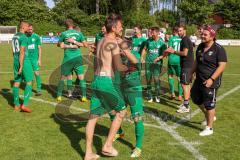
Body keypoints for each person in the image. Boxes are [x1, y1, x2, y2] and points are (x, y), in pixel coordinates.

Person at [84, 14, 137, 160]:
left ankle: (88, 153)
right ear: (113, 28)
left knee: (93, 117)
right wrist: (131, 67)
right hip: (106, 82)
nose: (122, 28)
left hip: (96, 80)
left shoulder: (101, 40)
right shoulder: (113, 42)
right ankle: (107, 145)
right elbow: (119, 66)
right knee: (121, 111)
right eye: (120, 26)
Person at [191, 26, 227, 136]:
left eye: (205, 34)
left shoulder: (218, 49)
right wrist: (192, 72)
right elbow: (197, 61)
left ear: (212, 36)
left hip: (211, 81)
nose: (202, 36)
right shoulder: (201, 46)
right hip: (199, 79)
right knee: (195, 98)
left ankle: (209, 128)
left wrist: (211, 79)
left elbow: (222, 66)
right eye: (202, 34)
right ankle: (209, 116)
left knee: (209, 104)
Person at [56, 19, 88, 102]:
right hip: (78, 58)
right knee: (81, 77)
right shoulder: (79, 33)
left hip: (68, 58)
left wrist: (66, 46)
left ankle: (60, 95)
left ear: (65, 26)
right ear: (73, 25)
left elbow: (59, 45)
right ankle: (84, 96)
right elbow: (85, 45)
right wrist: (75, 43)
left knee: (64, 77)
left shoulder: (63, 34)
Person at [165, 25, 194, 113]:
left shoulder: (185, 39)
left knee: (184, 85)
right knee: (186, 84)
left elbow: (185, 53)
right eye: (179, 31)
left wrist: (174, 51)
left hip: (186, 65)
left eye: (181, 30)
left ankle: (186, 105)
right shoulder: (185, 39)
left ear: (185, 30)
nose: (179, 32)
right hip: (188, 65)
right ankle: (186, 103)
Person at [141, 27, 167, 103]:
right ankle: (149, 95)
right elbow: (144, 49)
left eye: (152, 32)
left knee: (156, 79)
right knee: (148, 80)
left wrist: (158, 58)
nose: (151, 34)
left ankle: (157, 95)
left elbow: (165, 54)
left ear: (157, 33)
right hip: (148, 63)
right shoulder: (148, 41)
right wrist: (142, 58)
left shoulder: (162, 42)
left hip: (157, 64)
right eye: (150, 32)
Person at [12, 21, 33, 113]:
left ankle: (16, 104)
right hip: (24, 61)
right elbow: (22, 51)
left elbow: (13, 51)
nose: (29, 28)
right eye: (28, 26)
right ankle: (24, 105)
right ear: (24, 27)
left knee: (17, 82)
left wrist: (16, 62)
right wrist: (21, 65)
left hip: (15, 60)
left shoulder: (15, 36)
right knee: (29, 82)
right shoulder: (24, 37)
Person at [167, 27, 183, 101]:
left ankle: (172, 93)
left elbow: (169, 49)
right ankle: (180, 95)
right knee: (179, 78)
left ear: (174, 31)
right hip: (179, 60)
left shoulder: (171, 39)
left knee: (170, 76)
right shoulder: (182, 39)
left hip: (172, 59)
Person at [26, 24, 42, 96]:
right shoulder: (25, 37)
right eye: (29, 29)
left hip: (34, 58)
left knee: (36, 73)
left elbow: (39, 48)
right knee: (28, 74)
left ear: (33, 29)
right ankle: (29, 88)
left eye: (31, 29)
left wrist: (39, 59)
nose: (30, 31)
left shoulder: (36, 37)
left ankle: (39, 90)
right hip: (26, 59)